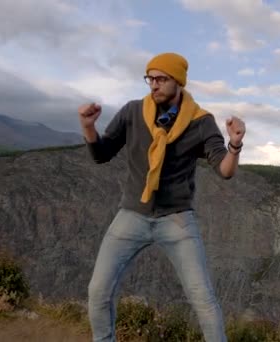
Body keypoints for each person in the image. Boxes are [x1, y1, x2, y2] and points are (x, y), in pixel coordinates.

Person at [78, 52, 245, 342]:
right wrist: (88, 127)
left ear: (178, 82)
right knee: (98, 291)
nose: (153, 85)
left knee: (203, 299)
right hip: (132, 214)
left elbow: (225, 170)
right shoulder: (132, 112)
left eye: (161, 79)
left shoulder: (201, 122)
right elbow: (102, 154)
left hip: (177, 220)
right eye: (150, 78)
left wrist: (234, 145)